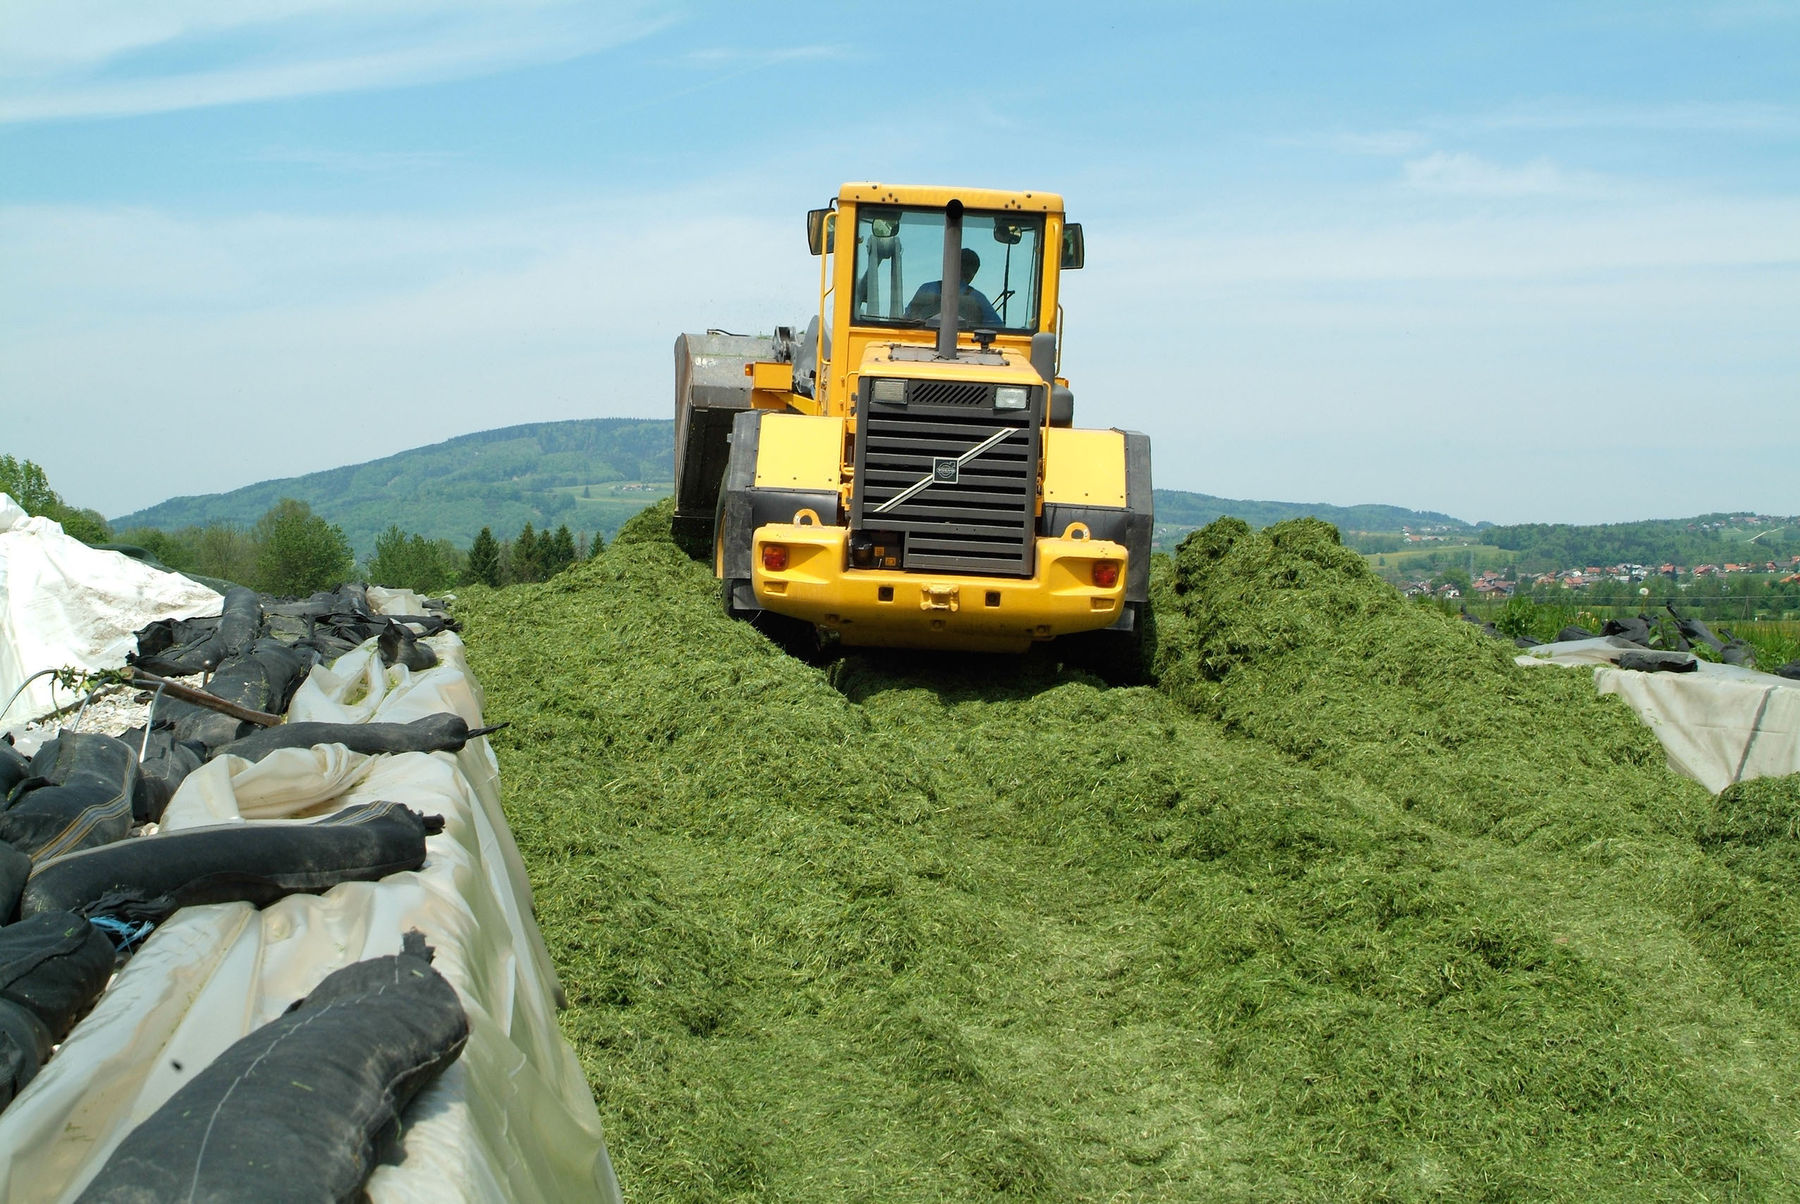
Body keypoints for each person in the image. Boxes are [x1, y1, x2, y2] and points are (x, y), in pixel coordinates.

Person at [905, 247, 1003, 326]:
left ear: (949, 266)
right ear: (973, 274)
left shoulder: (926, 289)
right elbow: (998, 329)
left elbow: (906, 320)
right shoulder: (978, 298)